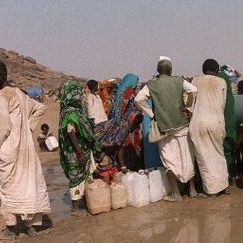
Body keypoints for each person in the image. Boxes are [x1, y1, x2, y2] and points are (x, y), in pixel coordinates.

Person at [0, 60, 51, 240]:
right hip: (25, 148)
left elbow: (4, 127)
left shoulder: (3, 95)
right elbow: (40, 108)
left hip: (9, 148)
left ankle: (10, 229)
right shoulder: (19, 93)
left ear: (4, 76)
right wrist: (27, 128)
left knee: (7, 188)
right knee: (26, 184)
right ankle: (30, 226)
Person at [135, 59, 198, 202]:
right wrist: (188, 108)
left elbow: (138, 100)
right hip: (182, 124)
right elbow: (194, 90)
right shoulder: (179, 81)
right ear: (170, 70)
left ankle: (176, 194)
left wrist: (152, 115)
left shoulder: (151, 84)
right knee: (187, 156)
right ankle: (192, 189)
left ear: (158, 71)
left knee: (169, 160)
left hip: (164, 127)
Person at [58, 80, 101, 215]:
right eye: (78, 92)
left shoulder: (75, 110)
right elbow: (71, 132)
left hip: (81, 148)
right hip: (75, 151)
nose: (80, 95)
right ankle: (75, 207)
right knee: (76, 175)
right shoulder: (71, 113)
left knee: (84, 173)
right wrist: (79, 152)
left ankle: (84, 200)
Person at [190, 59, 229, 197]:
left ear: (203, 69)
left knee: (205, 157)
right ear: (217, 70)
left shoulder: (195, 81)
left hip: (199, 122)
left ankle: (211, 190)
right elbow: (222, 104)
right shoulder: (221, 82)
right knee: (219, 153)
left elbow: (191, 103)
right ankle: (224, 185)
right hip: (217, 121)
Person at [94, 74, 143, 172]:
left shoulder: (121, 92)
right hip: (126, 123)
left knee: (118, 143)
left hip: (121, 123)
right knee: (123, 143)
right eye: (135, 82)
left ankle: (120, 165)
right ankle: (125, 165)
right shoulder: (128, 93)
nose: (136, 84)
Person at [218, 70, 238, 186]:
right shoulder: (230, 97)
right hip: (230, 127)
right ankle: (232, 177)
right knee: (229, 152)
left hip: (225, 126)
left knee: (226, 152)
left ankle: (229, 178)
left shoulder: (223, 99)